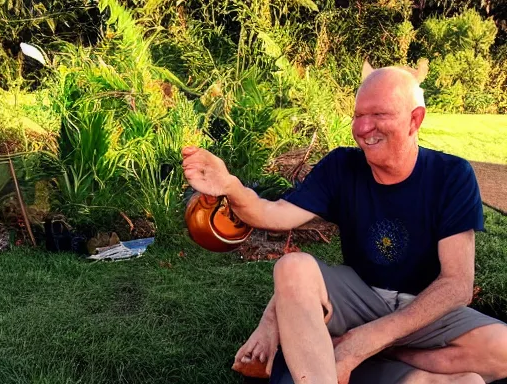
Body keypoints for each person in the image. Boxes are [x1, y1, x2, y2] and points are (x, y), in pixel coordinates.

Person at [181, 63, 507, 383]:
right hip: (358, 296)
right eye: (358, 115)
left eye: (379, 115)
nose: (364, 128)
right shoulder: (342, 165)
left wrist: (366, 342)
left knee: (503, 350)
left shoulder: (451, 176)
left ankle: (356, 357)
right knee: (293, 267)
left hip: (422, 309)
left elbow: (456, 285)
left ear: (414, 120)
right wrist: (232, 187)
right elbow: (275, 214)